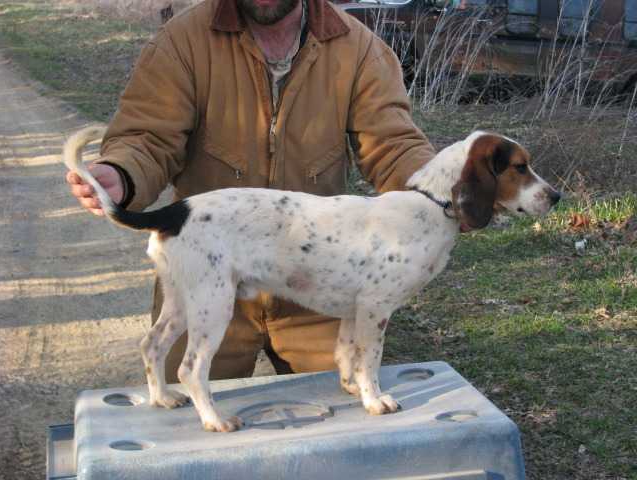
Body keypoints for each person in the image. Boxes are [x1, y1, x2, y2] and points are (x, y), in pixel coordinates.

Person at [66, 0, 436, 383]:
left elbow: (392, 144)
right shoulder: (182, 40)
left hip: (317, 283)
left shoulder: (358, 48)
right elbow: (148, 136)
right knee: (192, 425)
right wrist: (122, 173)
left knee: (337, 419)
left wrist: (441, 193)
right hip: (209, 267)